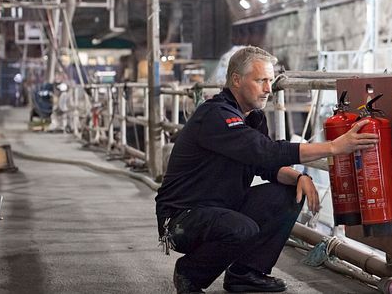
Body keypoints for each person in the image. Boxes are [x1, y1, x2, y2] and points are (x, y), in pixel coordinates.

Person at [155, 46, 377, 293]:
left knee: (288, 195)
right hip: (180, 219)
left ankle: (246, 273)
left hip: (219, 209)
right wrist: (335, 146)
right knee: (241, 229)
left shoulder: (253, 117)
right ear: (236, 80)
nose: (269, 89)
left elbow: (266, 165)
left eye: (270, 81)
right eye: (261, 80)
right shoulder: (216, 115)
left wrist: (299, 177)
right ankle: (189, 273)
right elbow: (266, 151)